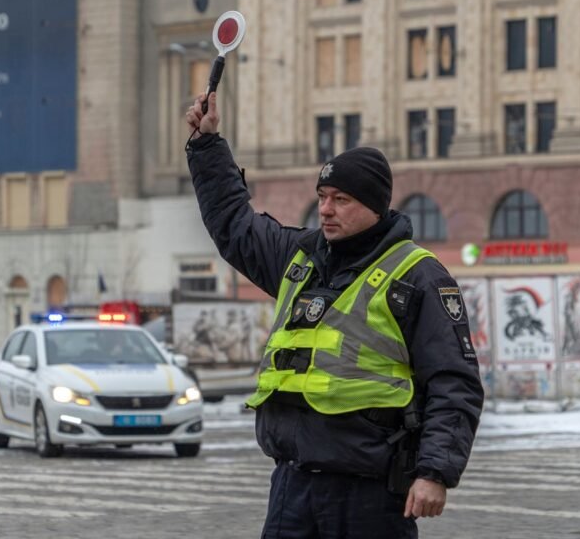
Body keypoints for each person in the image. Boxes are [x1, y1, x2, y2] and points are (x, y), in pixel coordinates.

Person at [185, 92, 484, 539]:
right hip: (293, 483)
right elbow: (234, 224)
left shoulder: (417, 276)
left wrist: (435, 472)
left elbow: (453, 381)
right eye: (322, 196)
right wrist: (207, 146)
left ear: (375, 206)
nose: (325, 209)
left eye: (341, 199)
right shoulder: (300, 257)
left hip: (370, 492)